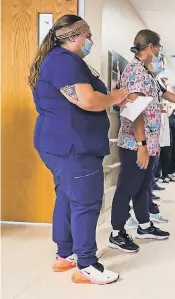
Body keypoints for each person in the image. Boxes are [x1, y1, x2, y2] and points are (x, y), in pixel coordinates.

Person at [28, 15, 129, 284]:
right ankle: (87, 264)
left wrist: (109, 98)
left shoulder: (59, 60)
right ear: (74, 37)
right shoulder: (64, 60)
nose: (91, 41)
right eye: (88, 36)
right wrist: (115, 98)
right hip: (73, 144)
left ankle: (65, 255)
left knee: (67, 196)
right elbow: (86, 100)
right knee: (86, 202)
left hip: (61, 143)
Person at [109, 29, 175, 253]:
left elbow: (172, 96)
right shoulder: (134, 72)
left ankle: (144, 225)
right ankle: (117, 233)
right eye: (159, 48)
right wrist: (142, 146)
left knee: (144, 187)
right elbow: (136, 112)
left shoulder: (148, 74)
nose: (160, 52)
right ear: (151, 47)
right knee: (127, 187)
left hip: (150, 143)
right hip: (136, 144)